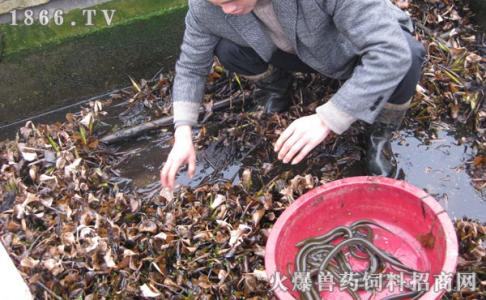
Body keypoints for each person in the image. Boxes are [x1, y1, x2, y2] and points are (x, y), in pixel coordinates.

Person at [160, 0, 426, 190]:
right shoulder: (205, 7)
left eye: (231, 0)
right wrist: (182, 131)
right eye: (218, 4)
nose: (227, 10)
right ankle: (276, 87)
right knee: (227, 48)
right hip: (293, 52)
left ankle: (380, 134)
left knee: (408, 54)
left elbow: (390, 51)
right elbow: (191, 66)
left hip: (348, 50)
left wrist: (327, 119)